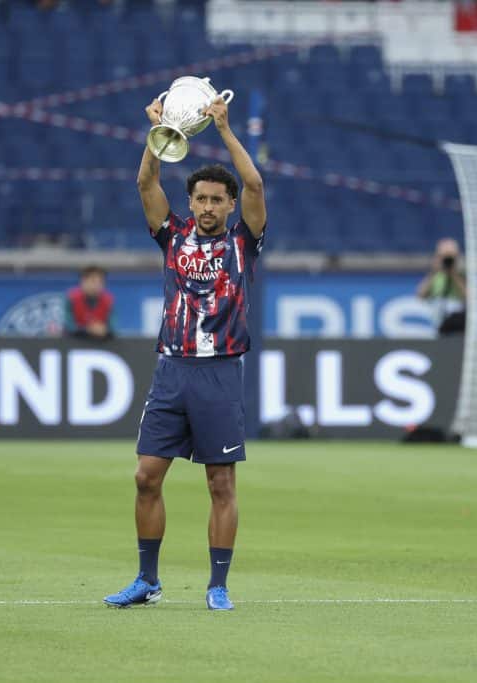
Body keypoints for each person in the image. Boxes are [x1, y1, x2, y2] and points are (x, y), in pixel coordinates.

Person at [102, 94, 266, 611]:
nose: (210, 207)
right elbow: (145, 184)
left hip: (218, 373)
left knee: (221, 484)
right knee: (146, 476)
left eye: (219, 199)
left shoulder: (244, 242)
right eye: (202, 199)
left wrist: (223, 129)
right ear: (191, 202)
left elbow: (257, 184)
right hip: (172, 370)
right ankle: (147, 579)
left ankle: (218, 585)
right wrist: (161, 136)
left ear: (230, 205)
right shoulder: (171, 236)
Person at [416, 238, 466, 337]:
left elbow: (468, 297)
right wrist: (434, 271)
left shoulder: (462, 274)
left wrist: (454, 274)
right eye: (444, 257)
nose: (447, 261)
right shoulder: (436, 274)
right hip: (437, 315)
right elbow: (421, 295)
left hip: (456, 318)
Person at [64, 265, 115, 340]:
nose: (97, 285)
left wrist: (104, 330)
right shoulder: (71, 298)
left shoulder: (108, 301)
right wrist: (88, 330)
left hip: (101, 344)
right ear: (83, 282)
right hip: (74, 343)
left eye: (100, 282)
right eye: (93, 281)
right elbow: (69, 326)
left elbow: (114, 328)